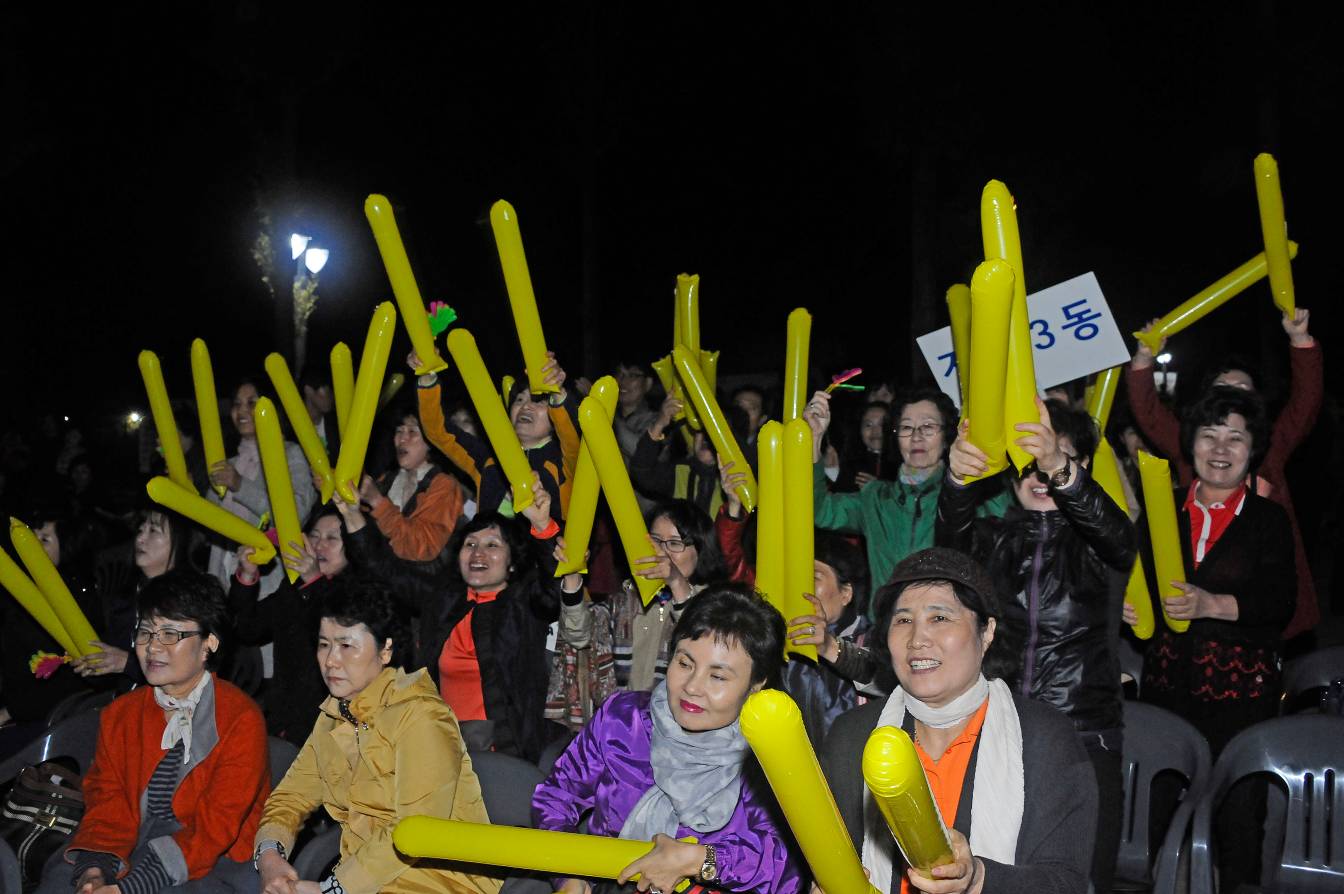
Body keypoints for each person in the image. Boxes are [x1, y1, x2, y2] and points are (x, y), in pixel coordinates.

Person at [937, 396, 1137, 893]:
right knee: (998, 871)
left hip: (1085, 735)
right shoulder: (992, 539)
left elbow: (1119, 538)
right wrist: (958, 482)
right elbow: (948, 552)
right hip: (1001, 729)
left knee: (1081, 878)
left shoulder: (1100, 544)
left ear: (1081, 466)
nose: (1039, 477)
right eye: (1028, 465)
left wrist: (1056, 465)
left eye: (1053, 459)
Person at [821, 548, 1096, 894]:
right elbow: (827, 855)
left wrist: (979, 879)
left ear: (987, 631)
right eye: (903, 620)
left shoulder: (1044, 738)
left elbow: (1065, 883)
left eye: (940, 618)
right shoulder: (853, 736)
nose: (917, 639)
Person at [533, 584, 802, 894]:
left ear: (756, 684)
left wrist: (701, 860)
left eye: (717, 676)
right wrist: (568, 876)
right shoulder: (624, 719)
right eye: (685, 663)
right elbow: (556, 795)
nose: (692, 687)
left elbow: (786, 867)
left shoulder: (767, 756)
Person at [253, 579, 502, 894]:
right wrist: (270, 857)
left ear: (386, 650)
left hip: (439, 882)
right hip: (363, 880)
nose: (330, 660)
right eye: (323, 644)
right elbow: (291, 796)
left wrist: (332, 889)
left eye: (346, 645)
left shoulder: (421, 716)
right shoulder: (334, 716)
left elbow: (416, 831)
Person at [36, 570, 269, 894]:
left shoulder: (240, 718)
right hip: (134, 839)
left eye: (170, 634)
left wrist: (129, 887)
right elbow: (108, 802)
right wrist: (96, 869)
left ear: (208, 644)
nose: (152, 647)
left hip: (217, 859)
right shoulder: (122, 714)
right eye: (145, 632)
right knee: (63, 879)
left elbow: (216, 828)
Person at [1127, 308, 1321, 640]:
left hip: (1256, 626)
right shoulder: (1192, 450)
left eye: (1242, 389)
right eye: (1221, 389)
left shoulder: (1270, 449)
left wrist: (1300, 339)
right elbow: (1148, 413)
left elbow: (1305, 402)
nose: (1220, 450)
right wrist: (1144, 357)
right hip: (1184, 624)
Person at [350, 473, 563, 759]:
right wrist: (351, 513)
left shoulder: (523, 603)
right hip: (443, 747)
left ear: (512, 563)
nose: (478, 553)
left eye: (492, 545)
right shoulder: (445, 600)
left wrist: (541, 525)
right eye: (470, 544)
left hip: (507, 753)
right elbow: (385, 569)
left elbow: (554, 586)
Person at [1138, 386, 1296, 753]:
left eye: (1235, 438)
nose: (1220, 449)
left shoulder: (1268, 519)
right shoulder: (1162, 508)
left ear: (1252, 448)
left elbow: (1280, 600)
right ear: (1191, 444)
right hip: (1163, 693)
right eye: (1209, 436)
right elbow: (1133, 578)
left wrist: (1211, 605)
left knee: (1233, 804)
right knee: (1157, 800)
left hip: (1242, 697)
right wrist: (1129, 608)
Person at [806, 387, 1012, 600]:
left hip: (949, 624)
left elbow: (1007, 514)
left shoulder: (966, 498)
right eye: (906, 427)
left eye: (928, 426)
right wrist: (813, 439)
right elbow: (819, 510)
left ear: (946, 436)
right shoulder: (875, 498)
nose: (916, 437)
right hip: (888, 626)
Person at [413, 350, 579, 523]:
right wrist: (427, 378)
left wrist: (557, 391)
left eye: (538, 402)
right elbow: (438, 431)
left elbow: (571, 436)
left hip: (548, 548)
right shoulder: (489, 459)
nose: (526, 407)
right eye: (519, 400)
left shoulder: (563, 461)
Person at [230, 503, 350, 741]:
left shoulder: (359, 592)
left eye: (332, 538)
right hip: (284, 722)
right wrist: (247, 575)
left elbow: (336, 637)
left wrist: (314, 582)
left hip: (331, 729)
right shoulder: (294, 587)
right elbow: (248, 628)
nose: (318, 546)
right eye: (314, 536)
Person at [206, 378, 318, 601]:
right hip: (222, 576)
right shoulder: (229, 461)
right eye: (237, 404)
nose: (242, 410)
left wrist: (240, 486)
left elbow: (295, 514)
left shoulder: (290, 454)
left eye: (252, 402)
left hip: (267, 587)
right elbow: (209, 522)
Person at [606, 499, 728, 692]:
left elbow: (705, 643)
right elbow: (578, 638)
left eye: (674, 543)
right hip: (624, 714)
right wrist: (572, 580)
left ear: (700, 550)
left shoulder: (716, 606)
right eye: (655, 540)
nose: (662, 551)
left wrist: (676, 581)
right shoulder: (628, 598)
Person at [72, 503, 196, 682]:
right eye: (140, 529)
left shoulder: (188, 601)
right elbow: (113, 648)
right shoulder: (128, 593)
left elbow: (186, 674)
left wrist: (126, 663)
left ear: (180, 542)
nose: (140, 538)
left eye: (153, 531)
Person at [346, 410, 466, 563]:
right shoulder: (388, 478)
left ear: (430, 441)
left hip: (419, 583)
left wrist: (378, 503)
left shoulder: (444, 485)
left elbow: (423, 547)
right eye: (399, 431)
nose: (402, 439)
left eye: (412, 431)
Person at [831, 401, 899, 492]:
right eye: (868, 425)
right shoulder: (849, 464)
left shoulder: (904, 463)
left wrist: (880, 489)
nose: (875, 431)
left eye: (882, 424)